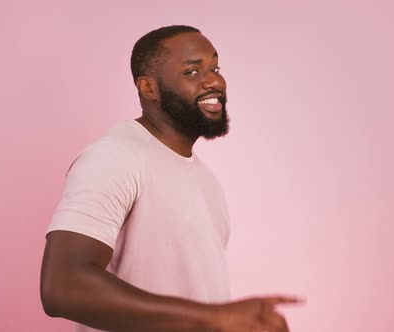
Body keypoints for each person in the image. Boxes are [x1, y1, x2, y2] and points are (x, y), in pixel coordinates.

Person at [40, 25, 303, 332]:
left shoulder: (207, 182)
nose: (215, 81)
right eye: (192, 71)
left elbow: (193, 307)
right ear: (148, 88)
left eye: (215, 67)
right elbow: (63, 286)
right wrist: (215, 318)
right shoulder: (114, 157)